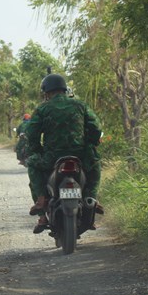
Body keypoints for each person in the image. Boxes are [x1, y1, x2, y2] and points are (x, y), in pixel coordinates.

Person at [25, 73, 103, 234]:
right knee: (95, 166)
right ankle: (91, 198)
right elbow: (96, 128)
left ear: (46, 92)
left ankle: (41, 204)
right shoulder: (80, 105)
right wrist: (90, 144)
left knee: (32, 164)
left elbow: (31, 134)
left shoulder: (42, 109)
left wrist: (37, 150)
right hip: (80, 155)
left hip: (52, 157)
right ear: (64, 89)